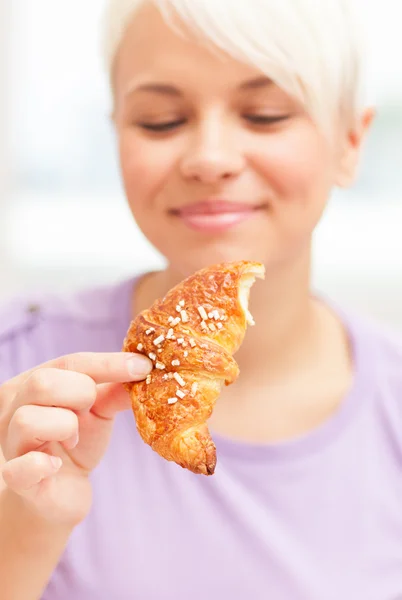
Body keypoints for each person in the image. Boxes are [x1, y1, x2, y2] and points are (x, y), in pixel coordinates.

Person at [0, 0, 401, 598]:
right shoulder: (17, 368)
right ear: (116, 137)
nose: (209, 158)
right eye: (160, 121)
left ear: (350, 141)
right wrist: (25, 528)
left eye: (264, 115)